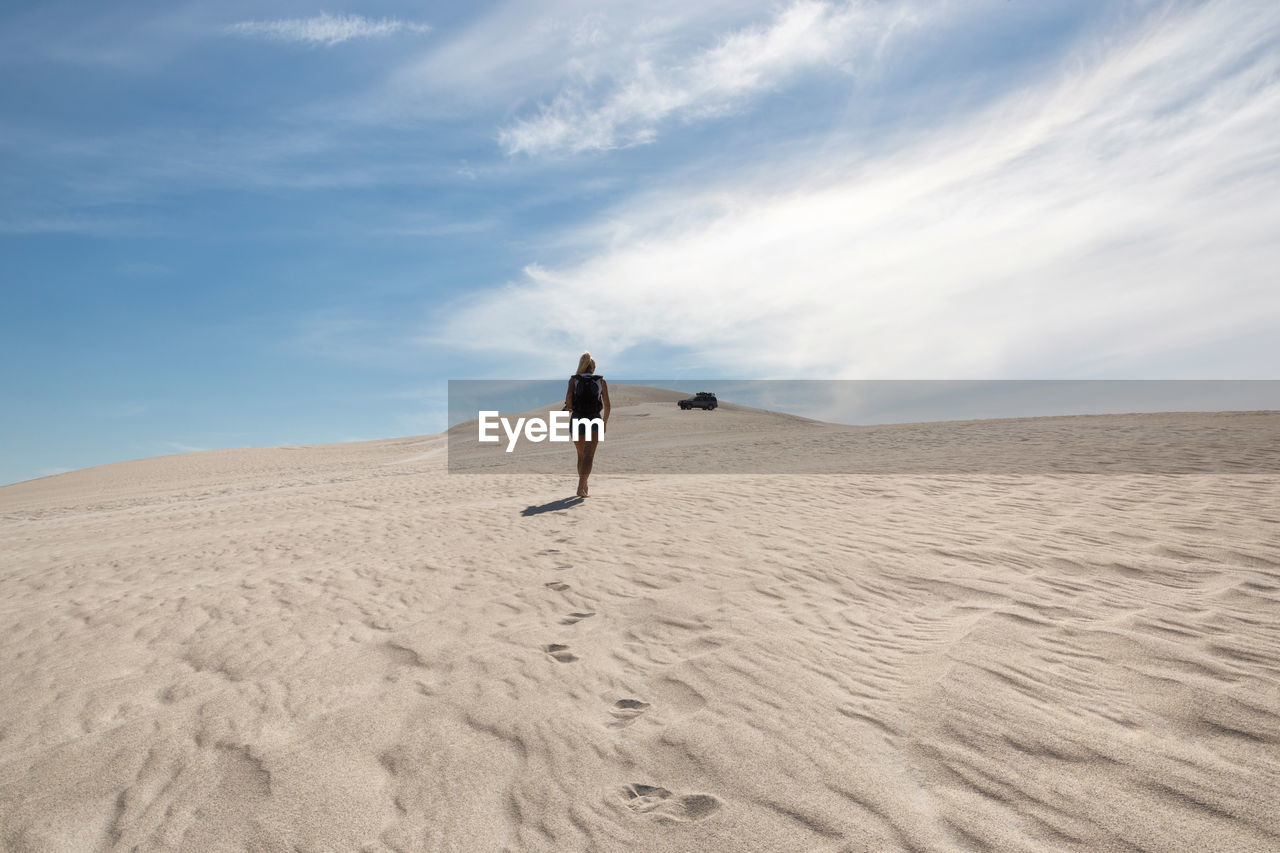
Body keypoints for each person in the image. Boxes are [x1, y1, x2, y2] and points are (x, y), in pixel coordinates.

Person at [563, 352, 610, 498]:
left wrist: (569, 407)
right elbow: (607, 405)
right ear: (593, 368)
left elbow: (569, 397)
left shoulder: (574, 380)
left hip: (577, 418)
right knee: (589, 455)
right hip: (594, 419)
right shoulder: (601, 381)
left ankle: (584, 485)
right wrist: (605, 421)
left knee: (580, 455)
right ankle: (581, 487)